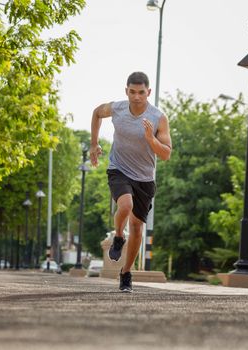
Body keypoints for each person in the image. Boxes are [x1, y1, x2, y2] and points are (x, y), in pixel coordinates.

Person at [90, 72, 172, 292]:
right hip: (119, 168)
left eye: (141, 92)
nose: (137, 97)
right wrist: (94, 143)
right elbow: (97, 113)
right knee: (125, 205)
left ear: (149, 92)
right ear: (126, 91)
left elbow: (165, 154)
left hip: (145, 177)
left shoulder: (158, 117)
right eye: (132, 92)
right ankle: (118, 236)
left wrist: (150, 139)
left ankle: (126, 273)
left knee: (137, 227)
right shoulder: (117, 108)